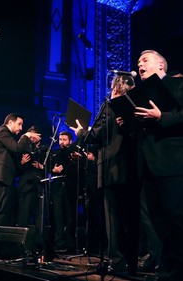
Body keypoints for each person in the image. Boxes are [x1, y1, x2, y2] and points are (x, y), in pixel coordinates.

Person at [134, 50, 183, 281]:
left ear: (161, 65)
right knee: (157, 219)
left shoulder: (180, 83)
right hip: (149, 163)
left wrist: (162, 116)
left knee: (178, 217)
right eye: (138, 62)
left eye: (145, 60)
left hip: (175, 161)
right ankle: (167, 268)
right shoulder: (140, 93)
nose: (140, 64)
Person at [70, 75, 140, 277]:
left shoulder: (111, 107)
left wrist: (80, 132)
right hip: (131, 169)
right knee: (130, 218)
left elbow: (95, 136)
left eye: (112, 88)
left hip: (111, 167)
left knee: (114, 220)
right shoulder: (134, 107)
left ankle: (116, 262)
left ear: (116, 89)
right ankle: (131, 261)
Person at [0, 113, 41, 252]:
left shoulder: (6, 135)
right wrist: (26, 136)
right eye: (19, 124)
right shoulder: (2, 131)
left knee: (3, 210)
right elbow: (17, 148)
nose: (21, 127)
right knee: (1, 210)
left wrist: (20, 163)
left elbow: (11, 157)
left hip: (2, 178)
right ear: (10, 122)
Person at [50, 131, 83, 254]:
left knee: (70, 218)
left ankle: (70, 244)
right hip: (58, 187)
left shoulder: (75, 153)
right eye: (60, 139)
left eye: (64, 139)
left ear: (70, 141)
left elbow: (78, 172)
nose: (62, 142)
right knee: (58, 217)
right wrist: (53, 170)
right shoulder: (55, 153)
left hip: (70, 188)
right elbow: (50, 167)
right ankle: (59, 243)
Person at [16, 125, 47, 227]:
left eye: (34, 136)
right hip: (25, 183)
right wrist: (21, 162)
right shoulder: (22, 149)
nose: (32, 138)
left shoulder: (45, 150)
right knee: (24, 210)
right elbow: (16, 168)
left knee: (38, 211)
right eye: (31, 136)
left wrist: (41, 166)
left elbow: (50, 168)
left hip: (39, 184)